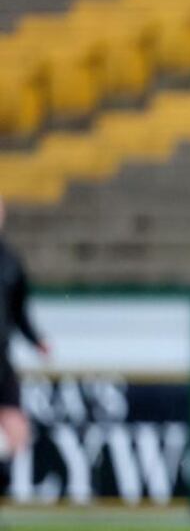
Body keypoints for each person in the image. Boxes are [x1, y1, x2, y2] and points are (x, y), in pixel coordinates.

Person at [0, 195, 50, 491]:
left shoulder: (10, 262)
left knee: (18, 430)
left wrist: (37, 340)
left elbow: (19, 311)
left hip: (2, 360)